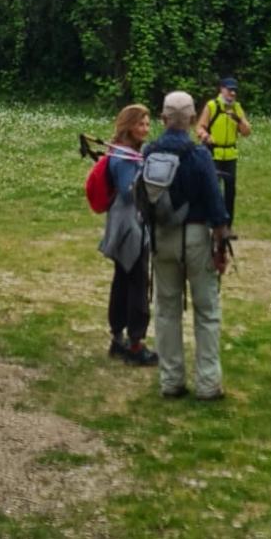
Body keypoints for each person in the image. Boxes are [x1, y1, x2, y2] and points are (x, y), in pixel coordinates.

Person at [144, 90, 231, 400]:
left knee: (166, 311)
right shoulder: (199, 156)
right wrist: (221, 242)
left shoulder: (149, 152)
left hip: (161, 238)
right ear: (193, 119)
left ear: (164, 119)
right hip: (195, 237)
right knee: (206, 310)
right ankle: (208, 383)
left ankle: (171, 381)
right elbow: (215, 203)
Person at [99, 104, 158, 366]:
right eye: (140, 124)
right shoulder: (124, 157)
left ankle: (118, 338)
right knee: (136, 283)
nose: (145, 129)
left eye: (147, 124)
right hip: (130, 227)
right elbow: (128, 191)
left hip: (126, 223)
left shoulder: (130, 153)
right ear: (129, 126)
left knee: (123, 281)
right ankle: (134, 343)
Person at [199, 77, 251, 226]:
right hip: (214, 154)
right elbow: (200, 127)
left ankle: (228, 225)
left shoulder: (237, 108)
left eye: (234, 90)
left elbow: (246, 132)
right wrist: (206, 136)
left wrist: (239, 120)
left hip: (230, 155)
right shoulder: (212, 106)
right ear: (221, 89)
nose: (232, 93)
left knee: (230, 192)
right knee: (213, 191)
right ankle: (213, 222)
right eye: (229, 89)